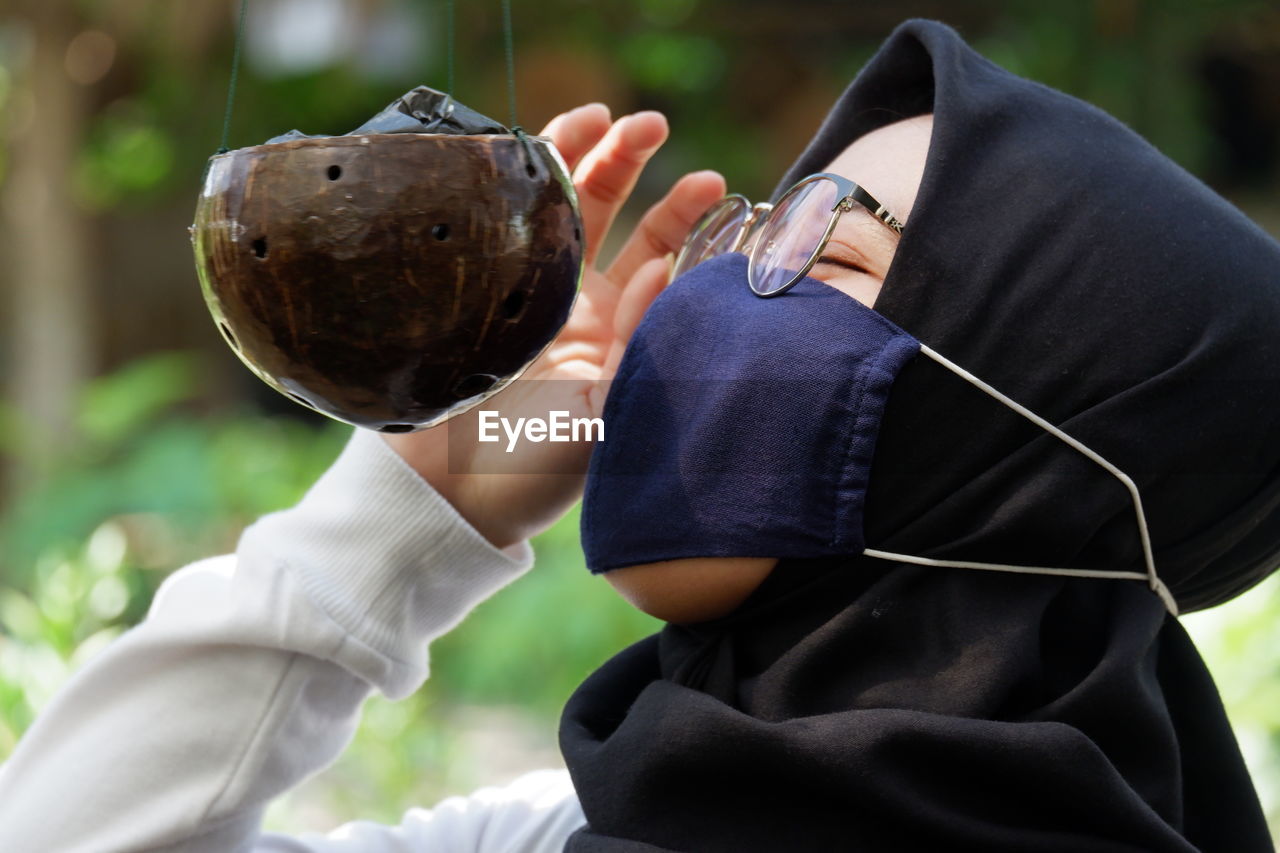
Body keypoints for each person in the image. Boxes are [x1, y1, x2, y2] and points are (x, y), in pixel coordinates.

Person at [1, 18, 1277, 852]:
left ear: (1001, 462)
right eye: (752, 221)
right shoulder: (578, 821)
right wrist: (439, 480)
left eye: (820, 251)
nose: (698, 285)